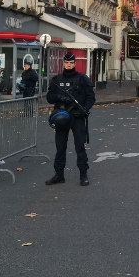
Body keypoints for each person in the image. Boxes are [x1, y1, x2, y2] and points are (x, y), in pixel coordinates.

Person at [45, 52, 95, 186]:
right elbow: (49, 97)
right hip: (61, 117)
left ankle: (83, 175)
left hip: (77, 117)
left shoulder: (82, 79)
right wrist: (60, 98)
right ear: (63, 63)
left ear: (74, 63)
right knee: (60, 147)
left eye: (71, 63)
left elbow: (91, 98)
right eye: (66, 63)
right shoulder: (56, 80)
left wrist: (84, 110)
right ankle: (59, 175)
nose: (69, 65)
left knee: (80, 146)